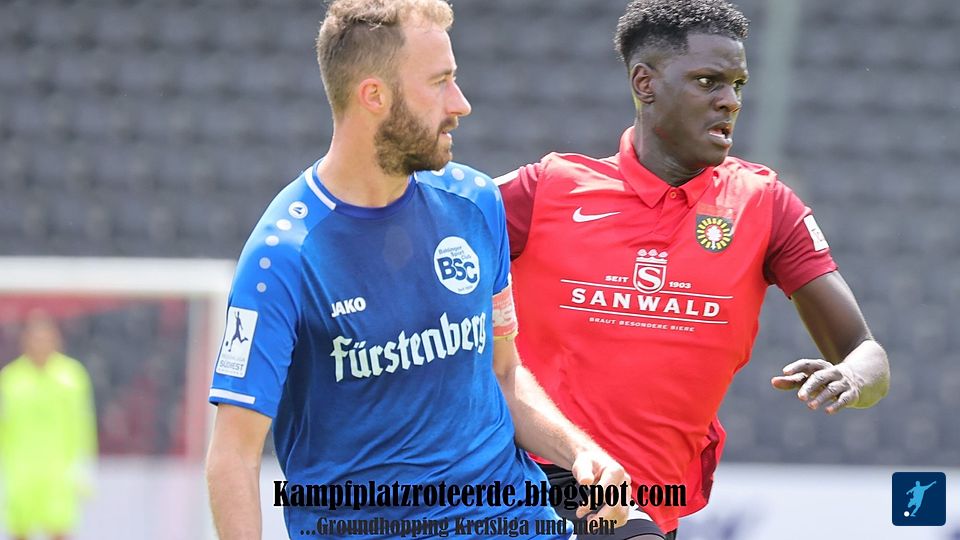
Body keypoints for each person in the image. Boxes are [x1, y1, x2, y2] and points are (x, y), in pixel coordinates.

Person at [204, 1, 630, 538]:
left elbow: (503, 373)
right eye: (439, 82)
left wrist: (580, 452)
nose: (461, 103)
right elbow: (233, 456)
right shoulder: (283, 256)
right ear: (374, 96)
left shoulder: (475, 201)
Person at [496, 0, 891, 538]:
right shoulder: (547, 189)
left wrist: (850, 377)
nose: (730, 101)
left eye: (738, 85)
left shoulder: (765, 205)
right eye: (708, 81)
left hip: (654, 503)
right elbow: (434, 234)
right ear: (645, 83)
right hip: (539, 479)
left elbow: (867, 353)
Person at [0, 312, 98, 540]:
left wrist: (84, 466)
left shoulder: (71, 377)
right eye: (35, 338)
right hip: (21, 471)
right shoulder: (11, 379)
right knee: (20, 530)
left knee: (59, 530)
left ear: (56, 340)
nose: (40, 344)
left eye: (45, 338)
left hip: (59, 472)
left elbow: (83, 424)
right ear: (25, 341)